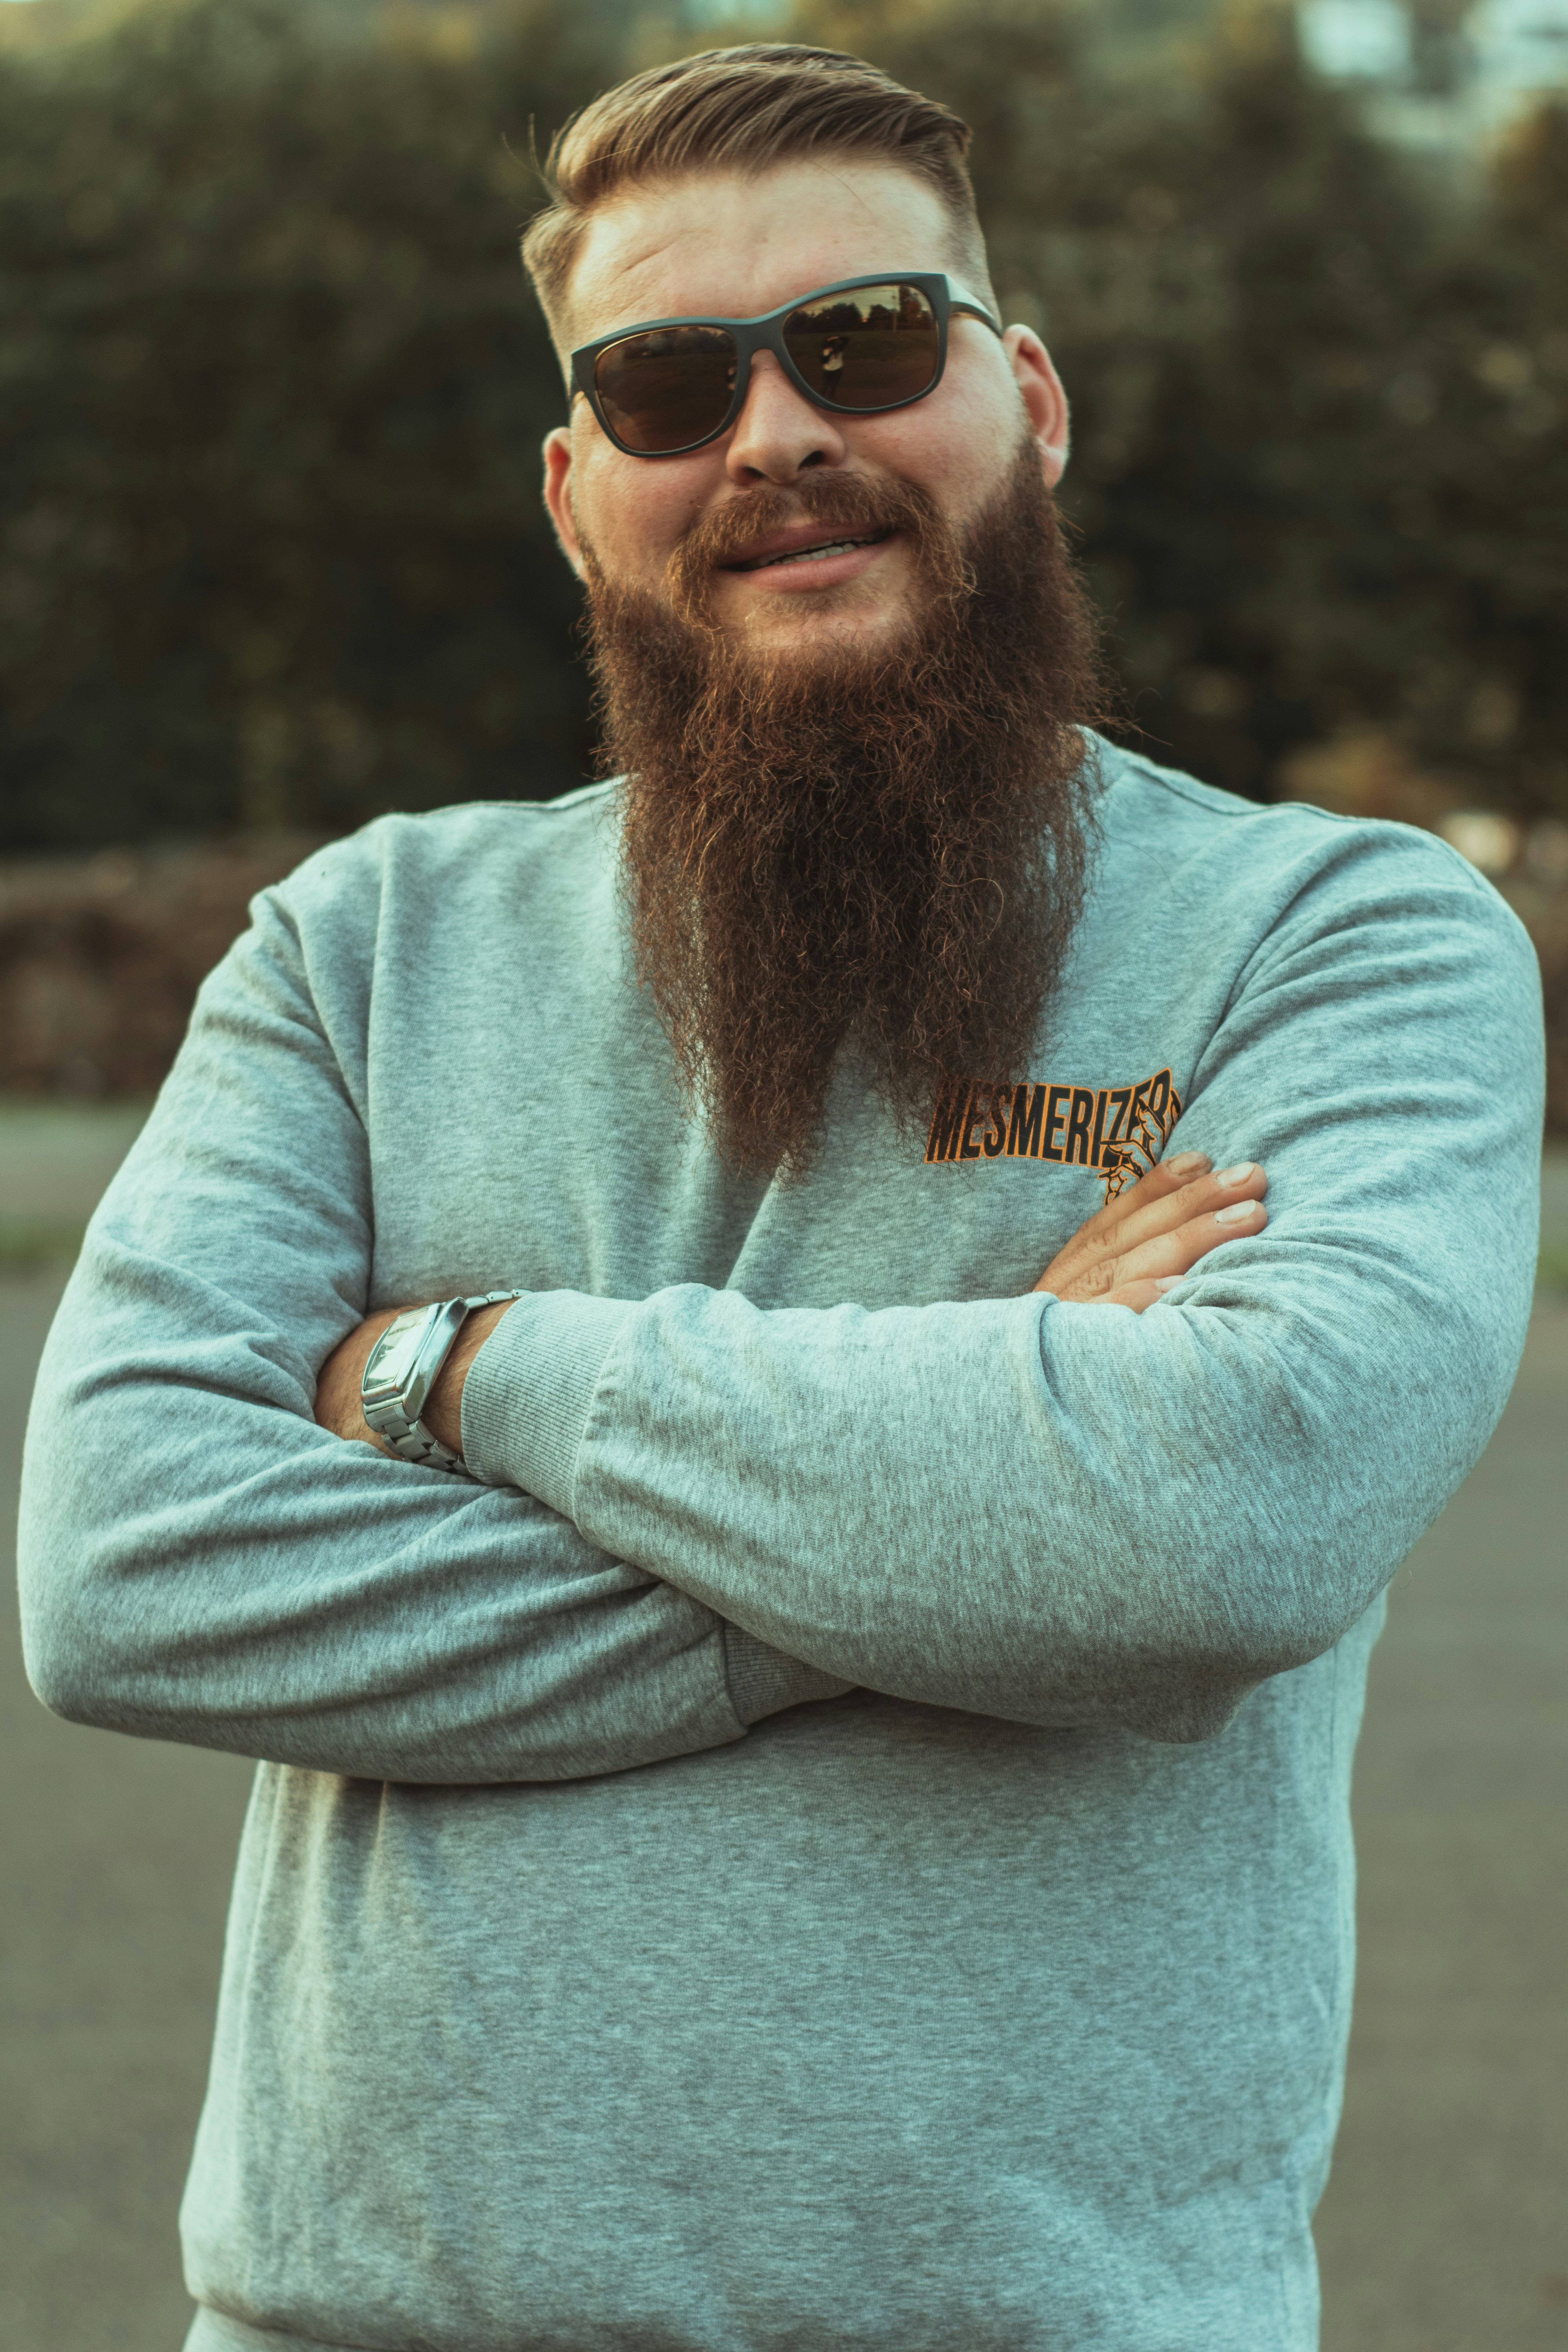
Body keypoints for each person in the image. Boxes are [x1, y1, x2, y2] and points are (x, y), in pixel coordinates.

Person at [18, 42, 1543, 2352]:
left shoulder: (1340, 937)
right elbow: (128, 1571)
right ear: (571, 490)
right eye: (660, 385)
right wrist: (981, 1492)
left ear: (1026, 395)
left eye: (863, 340)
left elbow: (1216, 1532)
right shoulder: (360, 947)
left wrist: (473, 1368)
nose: (773, 436)